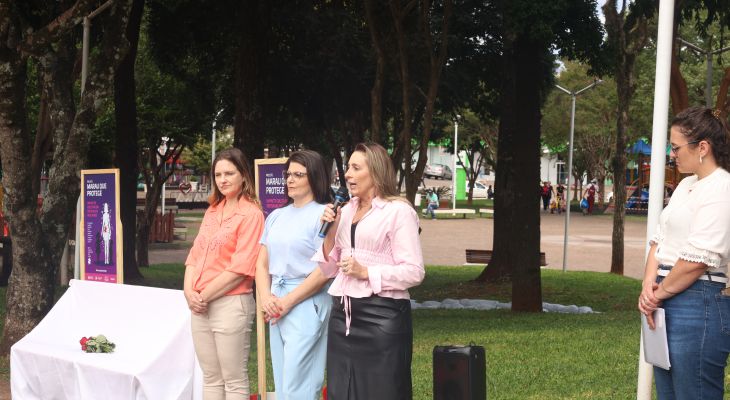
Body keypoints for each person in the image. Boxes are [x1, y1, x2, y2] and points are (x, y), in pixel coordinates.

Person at [315, 142, 425, 399]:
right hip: (342, 316)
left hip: (382, 317)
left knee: (381, 391)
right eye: (348, 168)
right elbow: (329, 268)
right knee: (342, 391)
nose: (348, 175)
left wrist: (367, 272)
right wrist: (330, 231)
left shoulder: (398, 211)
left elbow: (414, 271)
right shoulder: (344, 211)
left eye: (356, 168)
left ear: (375, 172)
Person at [638, 106, 730, 399]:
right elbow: (659, 240)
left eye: (676, 147)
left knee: (694, 393)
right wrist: (648, 286)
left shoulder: (722, 188)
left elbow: (698, 259)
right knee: (669, 394)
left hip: (698, 302)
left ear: (702, 147)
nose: (672, 154)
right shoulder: (685, 185)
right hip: (665, 297)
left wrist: (658, 294)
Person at [184, 148, 264, 400]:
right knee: (211, 377)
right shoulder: (213, 210)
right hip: (200, 304)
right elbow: (195, 255)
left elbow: (241, 268)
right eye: (218, 174)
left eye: (229, 173)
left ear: (243, 175)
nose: (223, 179)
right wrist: (188, 292)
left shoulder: (251, 214)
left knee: (234, 380)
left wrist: (202, 296)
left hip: (230, 303)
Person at [255, 150, 333, 400]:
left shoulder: (324, 215)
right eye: (288, 174)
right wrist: (266, 298)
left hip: (306, 300)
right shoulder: (276, 215)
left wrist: (287, 302)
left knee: (301, 383)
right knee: (283, 382)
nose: (290, 179)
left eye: (298, 174)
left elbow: (324, 269)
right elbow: (262, 263)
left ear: (314, 177)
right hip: (275, 299)